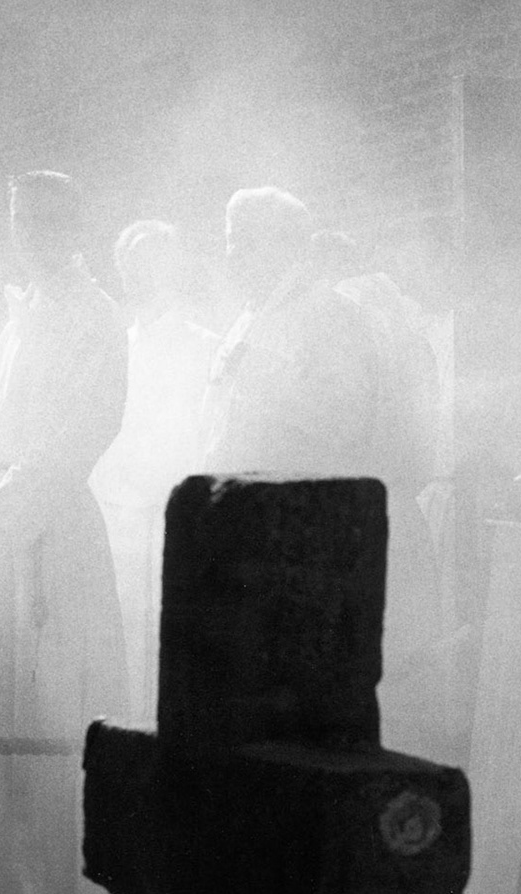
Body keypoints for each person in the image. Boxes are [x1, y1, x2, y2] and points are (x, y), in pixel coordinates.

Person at [0, 170, 130, 894]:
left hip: (52, 528)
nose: (29, 232)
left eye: (45, 218)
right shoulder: (24, 312)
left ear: (73, 223)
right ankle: (14, 890)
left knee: (59, 705)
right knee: (3, 702)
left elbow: (81, 433)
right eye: (19, 218)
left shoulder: (94, 313)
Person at [205, 189, 445, 756]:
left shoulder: (331, 318)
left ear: (283, 244)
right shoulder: (250, 319)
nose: (229, 254)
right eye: (228, 240)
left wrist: (264, 385)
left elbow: (339, 426)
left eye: (241, 241)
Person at [89, 220, 220, 718]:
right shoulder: (117, 347)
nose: (140, 275)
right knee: (121, 657)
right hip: (116, 524)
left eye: (152, 262)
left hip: (174, 526)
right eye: (130, 265)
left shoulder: (205, 347)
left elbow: (206, 440)